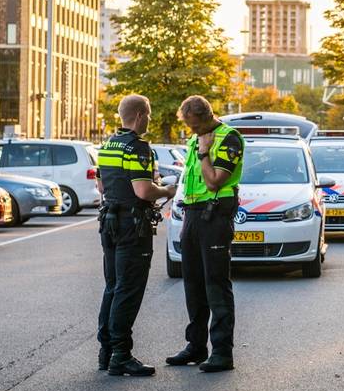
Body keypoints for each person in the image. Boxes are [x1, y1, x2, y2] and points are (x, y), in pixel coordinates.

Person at [95, 94, 175, 376]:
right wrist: (166, 190)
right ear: (140, 115)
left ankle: (106, 352)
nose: (149, 120)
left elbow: (102, 187)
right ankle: (121, 355)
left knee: (113, 286)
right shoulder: (138, 147)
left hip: (110, 223)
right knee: (128, 289)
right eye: (148, 115)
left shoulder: (107, 145)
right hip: (132, 225)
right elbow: (143, 190)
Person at [167, 95, 245, 373]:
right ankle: (196, 346)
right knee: (193, 284)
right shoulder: (196, 138)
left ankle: (222, 353)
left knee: (216, 284)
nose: (191, 130)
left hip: (215, 216)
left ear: (207, 117)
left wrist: (204, 153)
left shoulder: (229, 138)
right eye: (188, 125)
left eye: (195, 125)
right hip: (192, 214)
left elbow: (214, 182)